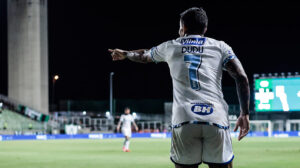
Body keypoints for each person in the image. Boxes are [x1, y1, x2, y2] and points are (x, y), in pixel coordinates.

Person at [109, 7, 250, 168]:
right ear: (205, 28)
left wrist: (125, 53)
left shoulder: (171, 46)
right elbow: (242, 77)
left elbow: (144, 56)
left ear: (183, 28)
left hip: (184, 118)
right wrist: (244, 114)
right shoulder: (221, 47)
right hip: (215, 118)